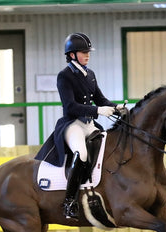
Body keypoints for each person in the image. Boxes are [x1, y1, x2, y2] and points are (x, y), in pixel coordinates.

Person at [35, 32, 122, 219]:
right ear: (72, 55)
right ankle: (69, 201)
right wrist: (98, 111)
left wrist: (116, 108)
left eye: (88, 52)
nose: (87, 55)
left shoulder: (90, 74)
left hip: (89, 124)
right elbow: (70, 106)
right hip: (72, 124)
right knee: (81, 154)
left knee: (108, 147)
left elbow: (100, 98)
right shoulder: (64, 76)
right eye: (83, 52)